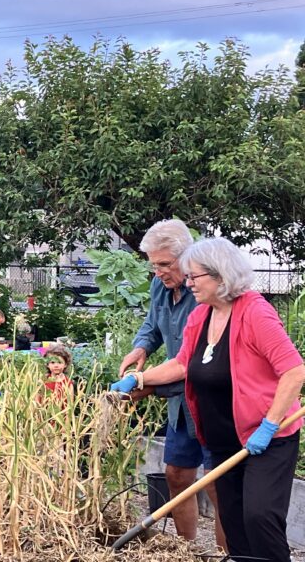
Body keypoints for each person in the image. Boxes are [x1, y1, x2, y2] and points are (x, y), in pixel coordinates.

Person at [112, 237, 305, 562]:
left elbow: (295, 371)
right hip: (222, 438)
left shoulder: (256, 313)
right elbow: (183, 363)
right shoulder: (202, 315)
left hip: (266, 437)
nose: (188, 284)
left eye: (194, 277)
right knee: (234, 523)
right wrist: (139, 379)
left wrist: (269, 424)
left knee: (259, 518)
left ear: (220, 275)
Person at [118, 219, 225, 549]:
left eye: (165, 264)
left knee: (218, 483)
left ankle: (227, 553)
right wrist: (141, 347)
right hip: (181, 404)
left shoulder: (205, 293)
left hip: (211, 401)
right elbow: (152, 324)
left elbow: (190, 363)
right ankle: (187, 550)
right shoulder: (160, 286)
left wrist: (145, 383)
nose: (159, 272)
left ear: (187, 257)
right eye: (154, 265)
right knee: (177, 474)